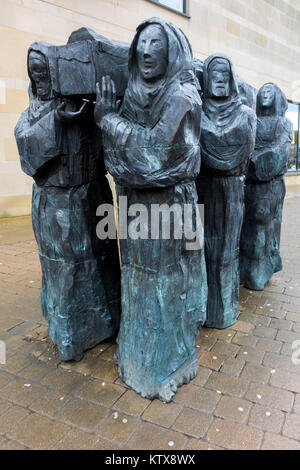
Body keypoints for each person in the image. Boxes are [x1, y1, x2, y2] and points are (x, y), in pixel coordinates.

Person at [94, 18, 207, 402]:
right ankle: (138, 362)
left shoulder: (183, 96)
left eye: (155, 43)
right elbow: (118, 162)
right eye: (141, 43)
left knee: (166, 284)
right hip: (135, 209)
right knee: (138, 284)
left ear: (170, 48)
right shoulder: (132, 95)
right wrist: (133, 160)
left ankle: (168, 364)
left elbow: (155, 156)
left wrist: (110, 123)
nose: (145, 51)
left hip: (170, 210)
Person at [15, 42, 120, 361]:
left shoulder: (85, 107)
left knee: (104, 259)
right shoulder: (32, 114)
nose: (41, 75)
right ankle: (71, 334)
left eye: (45, 69)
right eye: (35, 71)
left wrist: (103, 114)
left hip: (93, 194)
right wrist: (58, 121)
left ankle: (110, 322)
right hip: (56, 203)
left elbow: (107, 150)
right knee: (67, 269)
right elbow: (27, 152)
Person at [196, 53, 257, 329]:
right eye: (214, 74)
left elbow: (240, 157)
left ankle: (223, 310)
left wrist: (214, 157)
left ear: (231, 79)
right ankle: (200, 308)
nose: (219, 80)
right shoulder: (195, 109)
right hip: (201, 188)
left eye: (224, 74)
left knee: (225, 251)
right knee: (199, 247)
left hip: (231, 190)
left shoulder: (246, 115)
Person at [240, 83, 293, 290]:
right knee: (247, 226)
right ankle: (245, 269)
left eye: (270, 92)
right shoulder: (253, 120)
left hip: (270, 185)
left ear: (277, 97)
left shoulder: (284, 124)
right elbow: (244, 146)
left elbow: (279, 151)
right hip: (250, 185)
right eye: (263, 91)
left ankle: (260, 271)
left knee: (264, 224)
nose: (265, 95)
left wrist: (253, 162)